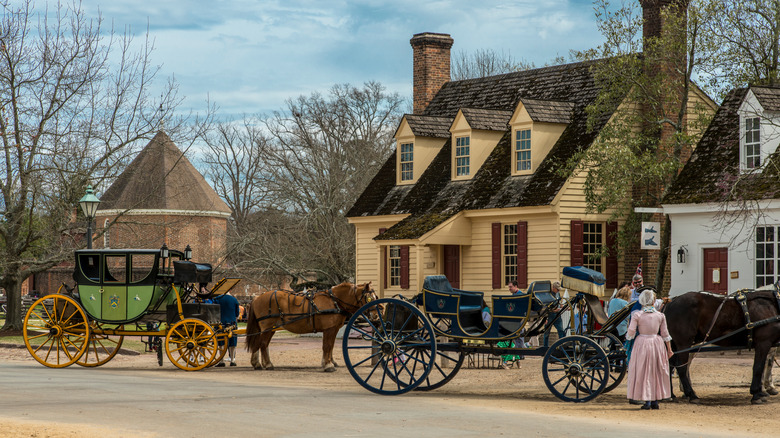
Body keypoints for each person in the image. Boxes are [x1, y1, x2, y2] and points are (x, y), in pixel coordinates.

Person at [625, 289, 674, 410]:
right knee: (656, 371)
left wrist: (629, 339)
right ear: (653, 301)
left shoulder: (637, 315)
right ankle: (655, 400)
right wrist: (669, 349)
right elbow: (665, 334)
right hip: (657, 343)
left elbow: (630, 333)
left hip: (642, 343)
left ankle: (647, 400)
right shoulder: (660, 315)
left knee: (643, 371)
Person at [212, 291, 241, 367]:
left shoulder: (217, 299)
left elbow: (213, 312)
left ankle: (221, 360)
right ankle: (232, 360)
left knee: (221, 343)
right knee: (233, 343)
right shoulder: (234, 299)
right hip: (232, 322)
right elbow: (237, 314)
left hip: (220, 323)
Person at [543, 281, 567, 346]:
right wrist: (553, 310)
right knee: (547, 333)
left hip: (557, 314)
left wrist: (564, 306)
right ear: (553, 288)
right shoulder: (548, 294)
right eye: (557, 289)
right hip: (549, 315)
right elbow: (546, 307)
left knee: (561, 330)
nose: (558, 290)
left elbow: (559, 302)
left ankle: (562, 346)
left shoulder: (558, 294)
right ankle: (545, 347)